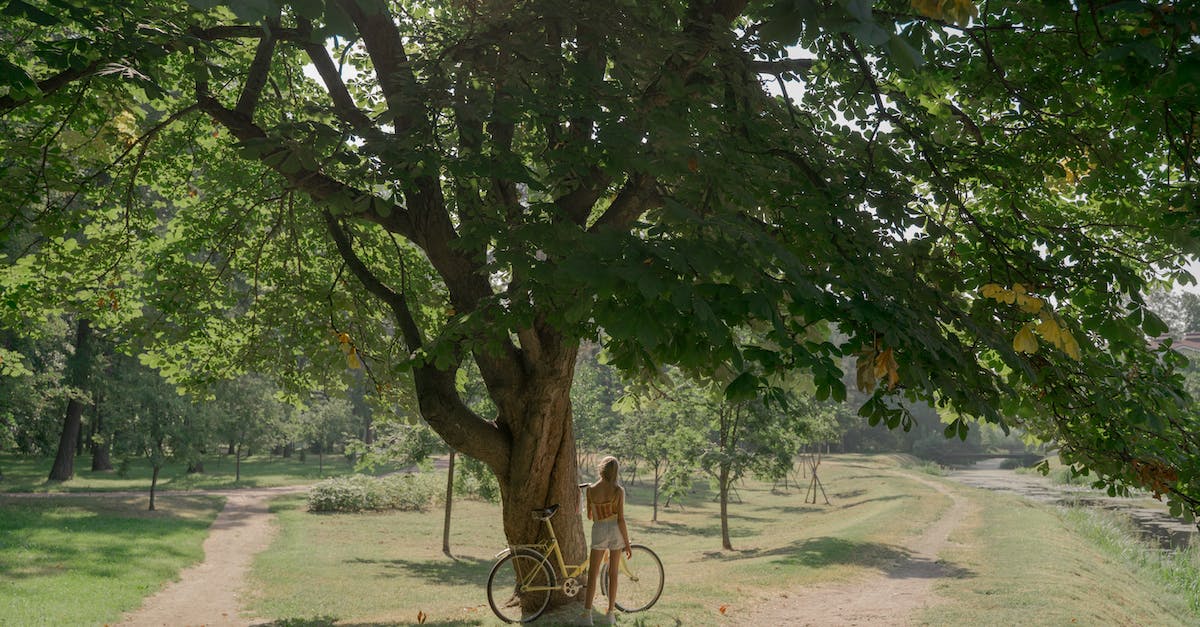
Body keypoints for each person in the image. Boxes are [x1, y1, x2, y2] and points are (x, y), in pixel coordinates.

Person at [581, 455, 632, 626]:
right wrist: (627, 543)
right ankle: (610, 613)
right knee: (613, 574)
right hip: (615, 531)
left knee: (593, 574)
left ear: (601, 469)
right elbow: (621, 519)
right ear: (616, 472)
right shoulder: (618, 491)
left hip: (599, 530)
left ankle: (587, 615)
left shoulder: (590, 489)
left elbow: (590, 516)